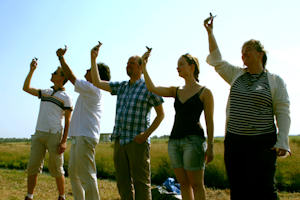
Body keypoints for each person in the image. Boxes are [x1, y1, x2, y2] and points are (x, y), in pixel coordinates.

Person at [204, 14, 291, 200]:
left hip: (263, 143)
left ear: (260, 54)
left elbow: (283, 111)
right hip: (235, 142)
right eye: (242, 52)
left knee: (265, 190)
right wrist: (210, 33)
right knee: (239, 190)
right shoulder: (236, 74)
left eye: (248, 50)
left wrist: (282, 140)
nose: (243, 54)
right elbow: (217, 61)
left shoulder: (275, 81)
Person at [90, 42, 164, 200]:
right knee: (123, 183)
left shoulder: (148, 88)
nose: (128, 66)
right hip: (119, 141)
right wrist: (93, 59)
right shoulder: (122, 86)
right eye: (127, 63)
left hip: (137, 142)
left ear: (140, 67)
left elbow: (160, 115)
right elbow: (97, 82)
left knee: (141, 183)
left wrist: (146, 134)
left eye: (131, 63)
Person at [141, 48, 214, 200]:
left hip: (194, 142)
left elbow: (209, 121)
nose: (177, 67)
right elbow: (152, 88)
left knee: (197, 184)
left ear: (192, 66)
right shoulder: (176, 91)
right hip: (174, 142)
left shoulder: (205, 92)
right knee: (184, 184)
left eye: (181, 64)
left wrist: (211, 146)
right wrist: (144, 67)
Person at [56, 45, 111, 200]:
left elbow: (71, 78)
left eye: (89, 69)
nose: (86, 71)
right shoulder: (88, 89)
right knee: (74, 173)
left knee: (87, 175)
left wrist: (61, 58)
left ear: (96, 74)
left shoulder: (93, 88)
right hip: (80, 137)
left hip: (86, 136)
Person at [23, 58, 72, 200]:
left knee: (57, 169)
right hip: (39, 134)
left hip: (54, 136)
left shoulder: (66, 98)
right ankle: (29, 196)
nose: (52, 73)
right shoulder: (45, 92)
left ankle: (62, 196)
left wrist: (64, 141)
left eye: (55, 72)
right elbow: (26, 88)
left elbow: (68, 120)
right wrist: (31, 70)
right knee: (33, 166)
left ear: (62, 78)